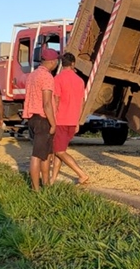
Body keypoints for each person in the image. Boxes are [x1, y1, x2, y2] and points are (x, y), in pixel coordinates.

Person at [22, 47, 60, 191]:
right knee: (37, 155)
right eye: (56, 60)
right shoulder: (47, 77)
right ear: (51, 62)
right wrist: (53, 123)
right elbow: (47, 103)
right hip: (43, 119)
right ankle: (36, 188)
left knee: (45, 153)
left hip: (31, 117)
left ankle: (45, 183)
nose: (57, 63)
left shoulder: (31, 75)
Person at [50, 52, 90, 185]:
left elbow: (56, 99)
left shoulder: (58, 79)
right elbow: (82, 102)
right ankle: (53, 179)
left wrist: (52, 119)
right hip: (73, 121)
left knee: (59, 151)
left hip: (61, 120)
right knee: (59, 151)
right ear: (73, 64)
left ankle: (81, 174)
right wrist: (78, 121)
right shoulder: (80, 81)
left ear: (62, 64)